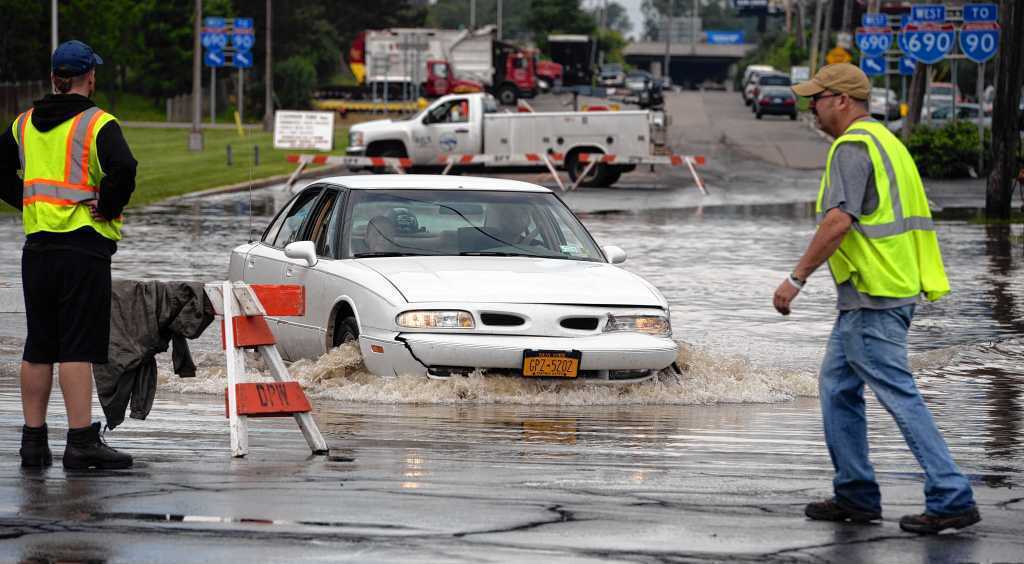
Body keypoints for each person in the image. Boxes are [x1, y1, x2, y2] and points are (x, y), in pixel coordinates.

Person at [775, 63, 980, 534]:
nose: (812, 107)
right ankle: (855, 492)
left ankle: (951, 494)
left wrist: (796, 277)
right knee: (837, 388)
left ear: (842, 101)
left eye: (818, 98)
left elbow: (838, 222)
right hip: (884, 290)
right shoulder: (889, 142)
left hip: (875, 294)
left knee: (899, 395)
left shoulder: (852, 147)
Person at [0, 40, 137, 470]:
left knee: (39, 344)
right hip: (83, 246)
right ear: (89, 77)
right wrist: (110, 205)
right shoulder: (98, 123)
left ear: (54, 79)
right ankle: (80, 441)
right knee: (77, 344)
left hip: (37, 247)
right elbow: (125, 168)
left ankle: (33, 442)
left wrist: (25, 201)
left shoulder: (24, 123)